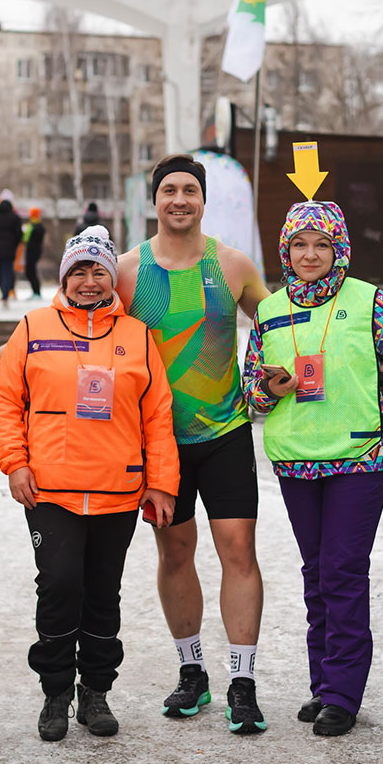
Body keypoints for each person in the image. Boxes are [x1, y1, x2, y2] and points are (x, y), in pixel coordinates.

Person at [0, 225, 179, 741]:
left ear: (112, 277)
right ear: (64, 277)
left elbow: (158, 415)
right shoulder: (33, 326)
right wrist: (15, 462)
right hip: (50, 489)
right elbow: (4, 399)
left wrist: (161, 483)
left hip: (119, 490)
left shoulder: (136, 335)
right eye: (79, 271)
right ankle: (56, 691)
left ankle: (95, 692)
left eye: (99, 271)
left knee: (102, 593)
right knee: (59, 585)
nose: (89, 281)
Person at [242, 201, 383, 736]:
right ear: (285, 251)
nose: (310, 254)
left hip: (358, 460)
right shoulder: (269, 311)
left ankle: (343, 693)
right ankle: (323, 684)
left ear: (339, 248)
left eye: (322, 244)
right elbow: (251, 392)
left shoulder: (370, 301)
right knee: (316, 574)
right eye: (299, 245)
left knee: (342, 571)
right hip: (296, 462)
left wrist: (372, 409)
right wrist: (269, 390)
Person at [116, 153, 270, 733]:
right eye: (169, 191)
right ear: (153, 200)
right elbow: (82, 332)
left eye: (190, 191)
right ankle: (192, 671)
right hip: (159, 442)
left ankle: (243, 681)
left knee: (239, 551)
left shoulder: (232, 265)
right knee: (175, 554)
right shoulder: (127, 272)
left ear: (203, 200)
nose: (179, 200)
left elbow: (283, 326)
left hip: (225, 433)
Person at [23, 207, 46, 299]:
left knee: (30, 271)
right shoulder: (40, 226)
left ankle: (36, 292)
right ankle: (36, 292)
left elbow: (25, 239)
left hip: (31, 251)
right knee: (31, 271)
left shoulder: (32, 226)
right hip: (36, 250)